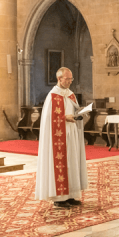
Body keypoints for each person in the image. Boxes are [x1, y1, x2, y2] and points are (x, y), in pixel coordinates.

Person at [35, 67, 88, 208]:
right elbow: (48, 119)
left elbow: (75, 110)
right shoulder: (53, 95)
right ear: (59, 79)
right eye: (67, 79)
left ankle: (71, 195)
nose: (70, 81)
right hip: (57, 137)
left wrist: (80, 113)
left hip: (71, 134)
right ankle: (59, 198)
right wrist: (64, 118)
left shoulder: (71, 95)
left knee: (72, 163)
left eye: (71, 79)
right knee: (61, 164)